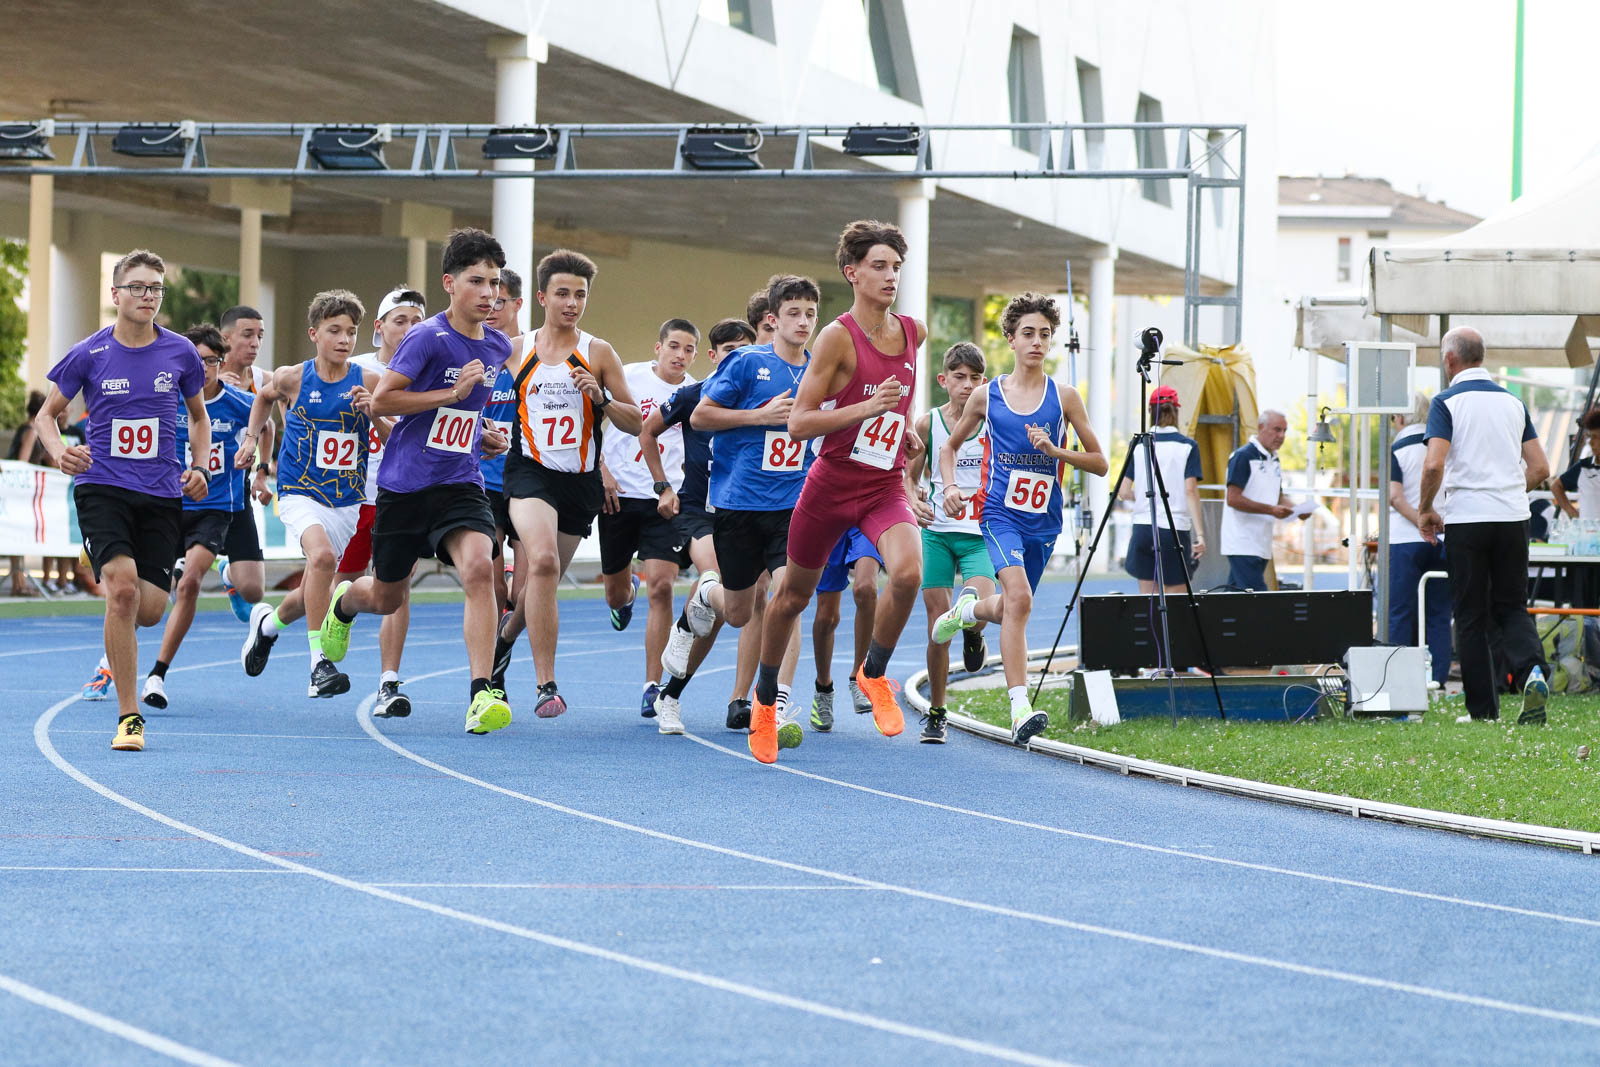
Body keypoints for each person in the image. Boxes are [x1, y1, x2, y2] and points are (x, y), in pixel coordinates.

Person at [312, 228, 517, 733]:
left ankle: (481, 693)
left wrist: (481, 433)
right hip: (405, 487)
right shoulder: (427, 337)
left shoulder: (496, 346)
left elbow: (464, 414)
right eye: (476, 281)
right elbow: (383, 401)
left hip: (460, 482)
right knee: (387, 597)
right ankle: (345, 601)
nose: (488, 293)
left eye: (494, 283)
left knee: (480, 568)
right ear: (450, 283)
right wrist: (451, 395)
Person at [745, 222, 928, 764]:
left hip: (882, 485)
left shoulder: (913, 332)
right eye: (879, 266)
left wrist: (902, 427)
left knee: (908, 573)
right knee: (791, 598)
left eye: (896, 267)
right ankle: (764, 701)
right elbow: (799, 423)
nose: (891, 276)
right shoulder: (835, 338)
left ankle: (873, 673)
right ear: (852, 273)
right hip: (831, 484)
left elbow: (900, 399)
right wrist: (867, 409)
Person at [34, 248, 210, 750]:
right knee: (124, 592)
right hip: (102, 486)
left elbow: (199, 418)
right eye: (137, 287)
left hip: (160, 492)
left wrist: (200, 467)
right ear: (115, 294)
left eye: (155, 288)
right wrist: (60, 453)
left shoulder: (180, 353)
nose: (147, 295)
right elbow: (46, 416)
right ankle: (129, 717)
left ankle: (109, 569)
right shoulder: (89, 353)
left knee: (149, 610)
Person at [930, 293, 1107, 745]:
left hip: (1043, 521)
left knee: (1011, 606)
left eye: (1045, 334)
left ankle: (967, 610)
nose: (1037, 342)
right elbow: (948, 448)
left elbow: (1100, 462)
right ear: (1010, 338)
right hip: (998, 513)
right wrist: (949, 489)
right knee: (1021, 598)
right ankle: (1019, 708)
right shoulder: (987, 396)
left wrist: (1055, 450)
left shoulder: (1064, 397)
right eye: (1028, 333)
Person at [493, 247, 641, 719]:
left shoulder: (598, 352)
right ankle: (546, 685)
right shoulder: (515, 351)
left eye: (580, 295)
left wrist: (602, 400)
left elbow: (636, 421)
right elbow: (472, 399)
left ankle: (504, 639)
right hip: (529, 472)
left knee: (542, 584)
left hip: (579, 483)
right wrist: (482, 434)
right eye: (562, 293)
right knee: (541, 561)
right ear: (542, 297)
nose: (572, 303)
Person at [680, 275, 821, 758]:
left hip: (793, 505)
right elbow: (701, 417)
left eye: (810, 314)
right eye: (794, 313)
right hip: (739, 504)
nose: (803, 322)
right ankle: (708, 591)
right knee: (740, 614)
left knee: (791, 597)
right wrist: (760, 416)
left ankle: (774, 704)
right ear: (773, 319)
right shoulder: (746, 363)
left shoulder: (820, 370)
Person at [649, 317, 797, 735]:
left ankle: (743, 699)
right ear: (714, 357)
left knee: (754, 603)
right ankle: (671, 693)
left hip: (748, 508)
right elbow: (648, 431)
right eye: (730, 352)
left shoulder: (771, 395)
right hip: (701, 509)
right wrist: (662, 486)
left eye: (745, 351)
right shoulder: (695, 397)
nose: (739, 359)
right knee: (717, 588)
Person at [240, 290, 379, 698]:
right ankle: (319, 665)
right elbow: (264, 398)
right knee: (321, 559)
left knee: (316, 587)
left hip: (346, 500)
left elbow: (393, 435)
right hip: (299, 490)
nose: (344, 339)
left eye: (350, 332)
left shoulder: (368, 381)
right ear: (314, 334)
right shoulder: (293, 377)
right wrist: (251, 440)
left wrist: (374, 412)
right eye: (334, 330)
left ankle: (267, 626)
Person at [1418, 326, 1550, 724]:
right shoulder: (1513, 402)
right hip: (1512, 517)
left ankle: (1483, 711)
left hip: (1468, 519)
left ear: (1450, 359)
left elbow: (1434, 464)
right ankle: (1533, 672)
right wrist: (1506, 490)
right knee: (1512, 607)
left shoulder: (1446, 402)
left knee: (1471, 615)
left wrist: (1426, 509)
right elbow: (1540, 468)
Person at [139, 324, 270, 710]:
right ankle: (110, 661)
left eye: (212, 361)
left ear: (221, 362)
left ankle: (158, 675)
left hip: (214, 508)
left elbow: (266, 425)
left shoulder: (240, 402)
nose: (205, 368)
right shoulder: (166, 400)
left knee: (192, 583)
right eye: (197, 361)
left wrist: (259, 466)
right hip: (167, 506)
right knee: (144, 595)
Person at [334, 286, 426, 717]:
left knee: (398, 587)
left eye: (416, 322)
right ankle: (272, 625)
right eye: (400, 320)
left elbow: (411, 445)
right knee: (339, 585)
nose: (408, 329)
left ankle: (389, 681)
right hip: (352, 497)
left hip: (403, 493)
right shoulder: (353, 369)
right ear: (380, 327)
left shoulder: (429, 374)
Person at [597, 318, 698, 717]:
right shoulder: (630, 377)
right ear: (658, 347)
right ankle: (625, 596)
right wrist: (601, 469)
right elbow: (593, 421)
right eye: (674, 346)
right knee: (615, 593)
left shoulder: (695, 394)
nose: (680, 355)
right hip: (618, 497)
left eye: (688, 350)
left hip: (665, 500)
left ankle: (652, 686)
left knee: (662, 587)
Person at [905, 342, 996, 743]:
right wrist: (914, 500)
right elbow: (908, 478)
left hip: (980, 534)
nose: (967, 385)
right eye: (959, 377)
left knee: (977, 611)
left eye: (975, 378)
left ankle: (974, 632)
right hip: (938, 534)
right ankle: (937, 713)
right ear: (943, 380)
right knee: (937, 628)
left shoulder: (994, 423)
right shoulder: (928, 424)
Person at [1387, 392, 1450, 687]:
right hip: (1443, 538)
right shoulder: (1443, 446)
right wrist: (1436, 525)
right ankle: (1438, 678)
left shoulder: (1396, 450)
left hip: (1404, 539)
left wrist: (1421, 521)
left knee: (1400, 612)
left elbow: (1395, 497)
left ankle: (1397, 679)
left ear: (1400, 417)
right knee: (1439, 613)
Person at [1119, 385, 1204, 595]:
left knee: (1148, 599)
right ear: (1176, 411)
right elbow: (1190, 491)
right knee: (1177, 596)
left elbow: (1123, 491)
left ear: (1150, 411)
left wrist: (1145, 497)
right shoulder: (1188, 446)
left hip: (1143, 527)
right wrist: (1200, 534)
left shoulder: (1139, 444)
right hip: (1174, 528)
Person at [808, 529, 881, 730]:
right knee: (827, 617)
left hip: (865, 520)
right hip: (831, 520)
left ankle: (859, 677)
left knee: (866, 589)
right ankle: (823, 688)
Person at [1219, 410, 1295, 591]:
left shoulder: (1274, 460)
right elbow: (1233, 499)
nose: (1281, 436)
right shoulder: (1243, 456)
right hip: (1242, 542)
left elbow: (1278, 496)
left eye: (1284, 431)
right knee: (1258, 597)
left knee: (1235, 596)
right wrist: (1271, 510)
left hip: (1261, 541)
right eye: (1277, 429)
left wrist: (1298, 510)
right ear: (1261, 428)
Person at [8, 390, 48, 597]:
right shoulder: (32, 431)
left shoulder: (25, 428)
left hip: (15, 488)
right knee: (18, 534)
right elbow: (23, 463)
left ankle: (19, 581)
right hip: (20, 490)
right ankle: (18, 583)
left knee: (17, 535)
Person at [218, 305, 271, 393]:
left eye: (260, 336)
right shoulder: (204, 381)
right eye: (247, 335)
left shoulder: (267, 382)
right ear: (225, 338)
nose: (256, 344)